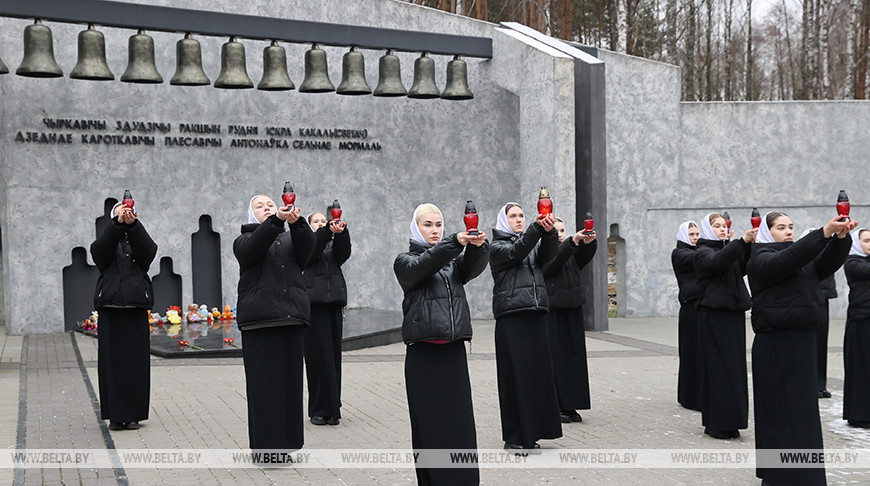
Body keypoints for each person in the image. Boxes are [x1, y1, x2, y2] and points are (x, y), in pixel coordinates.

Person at [747, 212, 853, 486]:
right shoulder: (760, 258)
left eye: (791, 227)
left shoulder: (799, 258)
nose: (788, 232)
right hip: (775, 344)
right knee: (778, 413)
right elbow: (787, 260)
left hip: (802, 341)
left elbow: (827, 263)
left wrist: (841, 239)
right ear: (768, 233)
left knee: (802, 413)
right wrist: (823, 232)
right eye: (781, 227)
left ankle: (804, 475)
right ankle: (777, 475)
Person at [394, 203, 489, 485]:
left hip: (453, 352)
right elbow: (423, 266)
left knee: (459, 426)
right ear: (416, 227)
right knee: (431, 428)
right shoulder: (405, 261)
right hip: (424, 356)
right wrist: (453, 243)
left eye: (438, 225)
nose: (434, 230)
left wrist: (478, 246)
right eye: (428, 225)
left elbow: (473, 267)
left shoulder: (452, 264)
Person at [234, 194, 315, 459]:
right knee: (265, 388)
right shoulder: (244, 240)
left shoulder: (290, 238)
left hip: (291, 318)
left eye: (270, 204)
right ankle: (265, 449)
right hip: (260, 322)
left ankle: (287, 446)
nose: (267, 208)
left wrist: (298, 224)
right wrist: (276, 221)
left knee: (290, 386)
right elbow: (255, 248)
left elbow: (308, 253)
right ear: (251, 213)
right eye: (260, 206)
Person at [490, 202, 561, 451]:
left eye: (521, 215)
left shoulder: (529, 242)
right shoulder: (497, 246)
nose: (518, 219)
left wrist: (550, 232)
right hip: (512, 316)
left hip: (535, 312)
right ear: (503, 220)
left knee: (536, 376)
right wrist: (536, 229)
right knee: (514, 377)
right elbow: (515, 253)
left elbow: (549, 257)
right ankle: (514, 437)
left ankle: (533, 433)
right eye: (513, 216)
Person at [90, 199, 157, 431]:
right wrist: (117, 225)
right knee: (112, 363)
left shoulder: (137, 235)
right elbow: (98, 253)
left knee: (136, 364)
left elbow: (149, 254)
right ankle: (116, 415)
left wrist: (133, 226)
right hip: (111, 308)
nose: (125, 214)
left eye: (128, 211)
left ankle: (135, 414)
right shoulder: (108, 239)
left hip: (136, 307)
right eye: (120, 212)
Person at [693, 212, 754, 439]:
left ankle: (732, 421)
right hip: (714, 317)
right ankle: (717, 422)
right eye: (717, 226)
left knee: (734, 371)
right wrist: (741, 243)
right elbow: (715, 263)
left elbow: (742, 267)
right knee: (719, 370)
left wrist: (748, 247)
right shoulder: (701, 251)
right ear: (708, 230)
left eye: (724, 225)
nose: (722, 229)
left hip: (733, 316)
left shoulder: (727, 249)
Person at [541, 217, 597, 423]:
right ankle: (557, 405)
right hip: (554, 311)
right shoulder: (544, 251)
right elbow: (552, 266)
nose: (560, 233)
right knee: (557, 360)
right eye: (556, 230)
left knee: (574, 359)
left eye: (563, 230)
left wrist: (590, 243)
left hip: (573, 308)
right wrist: (571, 243)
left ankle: (572, 404)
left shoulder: (569, 248)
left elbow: (583, 258)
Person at [303, 209, 351, 426]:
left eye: (324, 220)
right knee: (317, 358)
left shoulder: (331, 246)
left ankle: (333, 408)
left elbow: (344, 254)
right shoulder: (304, 244)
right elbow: (310, 254)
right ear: (309, 225)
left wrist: (341, 233)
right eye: (317, 222)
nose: (322, 223)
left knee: (333, 358)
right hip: (314, 307)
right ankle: (318, 409)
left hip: (333, 307)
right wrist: (324, 234)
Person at [800, 228, 838, 399]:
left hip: (823, 300)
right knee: (809, 344)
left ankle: (820, 384)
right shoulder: (803, 255)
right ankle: (810, 384)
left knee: (821, 344)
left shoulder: (826, 251)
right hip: (807, 301)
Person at [671, 221, 703, 412]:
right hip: (690, 308)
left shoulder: (700, 252)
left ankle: (698, 394)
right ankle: (689, 396)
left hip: (701, 306)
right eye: (692, 234)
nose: (695, 237)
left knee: (700, 352)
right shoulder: (680, 253)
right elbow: (697, 260)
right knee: (691, 353)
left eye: (698, 233)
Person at [843, 227, 870, 428]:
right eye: (867, 241)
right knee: (861, 367)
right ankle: (860, 414)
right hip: (861, 321)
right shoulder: (852, 262)